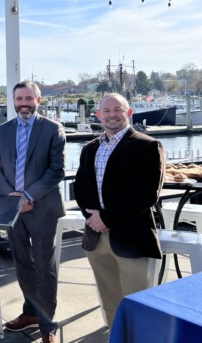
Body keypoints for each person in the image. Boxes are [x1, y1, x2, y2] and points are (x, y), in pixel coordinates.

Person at [74, 93, 165, 328]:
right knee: (109, 300)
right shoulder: (90, 148)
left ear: (129, 113)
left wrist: (108, 218)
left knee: (138, 302)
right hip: (96, 237)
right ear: (98, 115)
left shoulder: (148, 146)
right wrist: (93, 218)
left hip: (131, 237)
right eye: (106, 110)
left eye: (118, 109)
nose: (112, 115)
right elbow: (81, 188)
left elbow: (147, 194)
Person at [0, 80, 66, 343]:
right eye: (19, 99)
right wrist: (13, 198)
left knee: (45, 267)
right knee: (22, 265)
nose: (23, 104)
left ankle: (48, 326)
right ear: (13, 101)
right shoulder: (2, 131)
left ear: (38, 100)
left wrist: (28, 195)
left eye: (28, 99)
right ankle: (31, 312)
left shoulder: (53, 129)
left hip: (43, 209)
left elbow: (56, 170)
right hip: (13, 210)